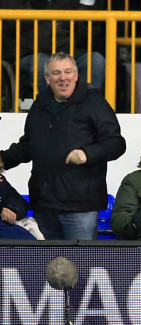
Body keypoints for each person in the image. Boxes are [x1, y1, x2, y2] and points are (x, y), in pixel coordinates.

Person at [0, 52, 126, 240]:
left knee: (79, 266)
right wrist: (4, 159)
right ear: (47, 78)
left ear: (76, 75)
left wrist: (87, 154)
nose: (63, 78)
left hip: (80, 207)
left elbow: (117, 143)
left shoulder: (93, 101)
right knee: (48, 266)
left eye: (68, 72)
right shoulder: (39, 105)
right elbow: (29, 145)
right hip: (44, 206)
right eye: (56, 73)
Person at [1, 0, 106, 93]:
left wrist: (86, 6)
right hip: (28, 53)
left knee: (95, 59)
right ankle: (52, 106)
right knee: (41, 61)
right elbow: (9, 26)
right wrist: (34, 5)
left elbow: (84, 38)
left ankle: (85, 106)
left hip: (65, 53)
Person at [0, 173, 36, 240]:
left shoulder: (1, 180)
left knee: (30, 238)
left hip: (6, 225)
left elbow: (19, 200)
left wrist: (12, 209)